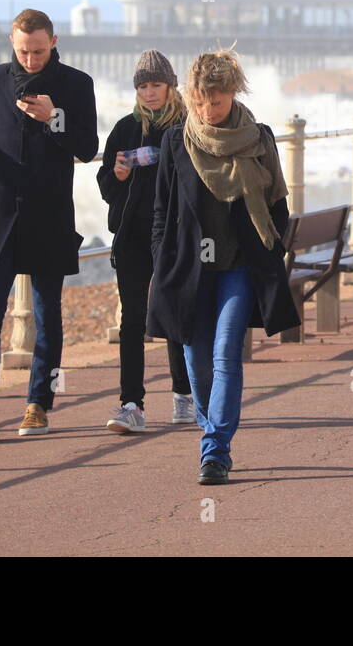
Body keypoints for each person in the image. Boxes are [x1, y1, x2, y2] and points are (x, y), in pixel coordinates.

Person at [148, 49, 299, 485]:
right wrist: (163, 260)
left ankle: (215, 450)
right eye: (198, 101)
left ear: (233, 92)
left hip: (239, 266)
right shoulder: (176, 141)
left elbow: (277, 206)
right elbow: (162, 212)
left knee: (226, 355)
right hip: (189, 268)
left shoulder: (259, 137)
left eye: (215, 101)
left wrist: (270, 251)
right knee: (195, 363)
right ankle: (210, 427)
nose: (206, 110)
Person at [0, 9, 99, 439]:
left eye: (37, 50)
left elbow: (88, 147)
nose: (30, 58)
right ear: (12, 44)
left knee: (48, 316)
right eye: (22, 50)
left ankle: (38, 405)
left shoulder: (76, 83)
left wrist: (54, 116)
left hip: (49, 213)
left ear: (53, 41)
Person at [97, 50, 194, 433]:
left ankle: (184, 396)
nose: (149, 93)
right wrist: (117, 175)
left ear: (171, 87)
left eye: (156, 85)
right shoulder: (124, 129)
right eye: (142, 86)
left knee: (174, 315)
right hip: (132, 236)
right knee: (133, 320)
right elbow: (105, 188)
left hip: (174, 235)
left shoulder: (187, 126)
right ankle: (131, 404)